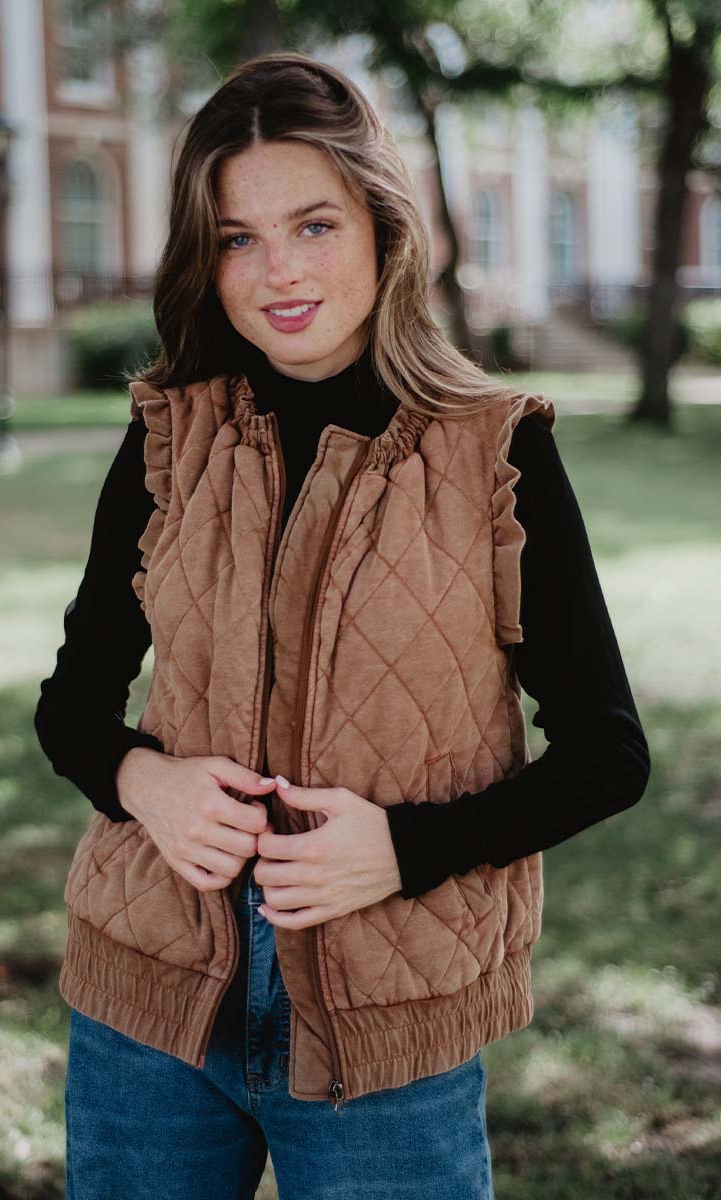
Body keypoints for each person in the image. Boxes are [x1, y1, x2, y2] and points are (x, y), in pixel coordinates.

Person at [34, 52, 650, 1200]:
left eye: (313, 224)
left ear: (381, 223)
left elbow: (609, 753)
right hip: (148, 1009)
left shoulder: (497, 451)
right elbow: (72, 705)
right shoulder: (170, 437)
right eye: (236, 237)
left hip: (384, 1035)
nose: (278, 271)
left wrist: (404, 849)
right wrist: (142, 783)